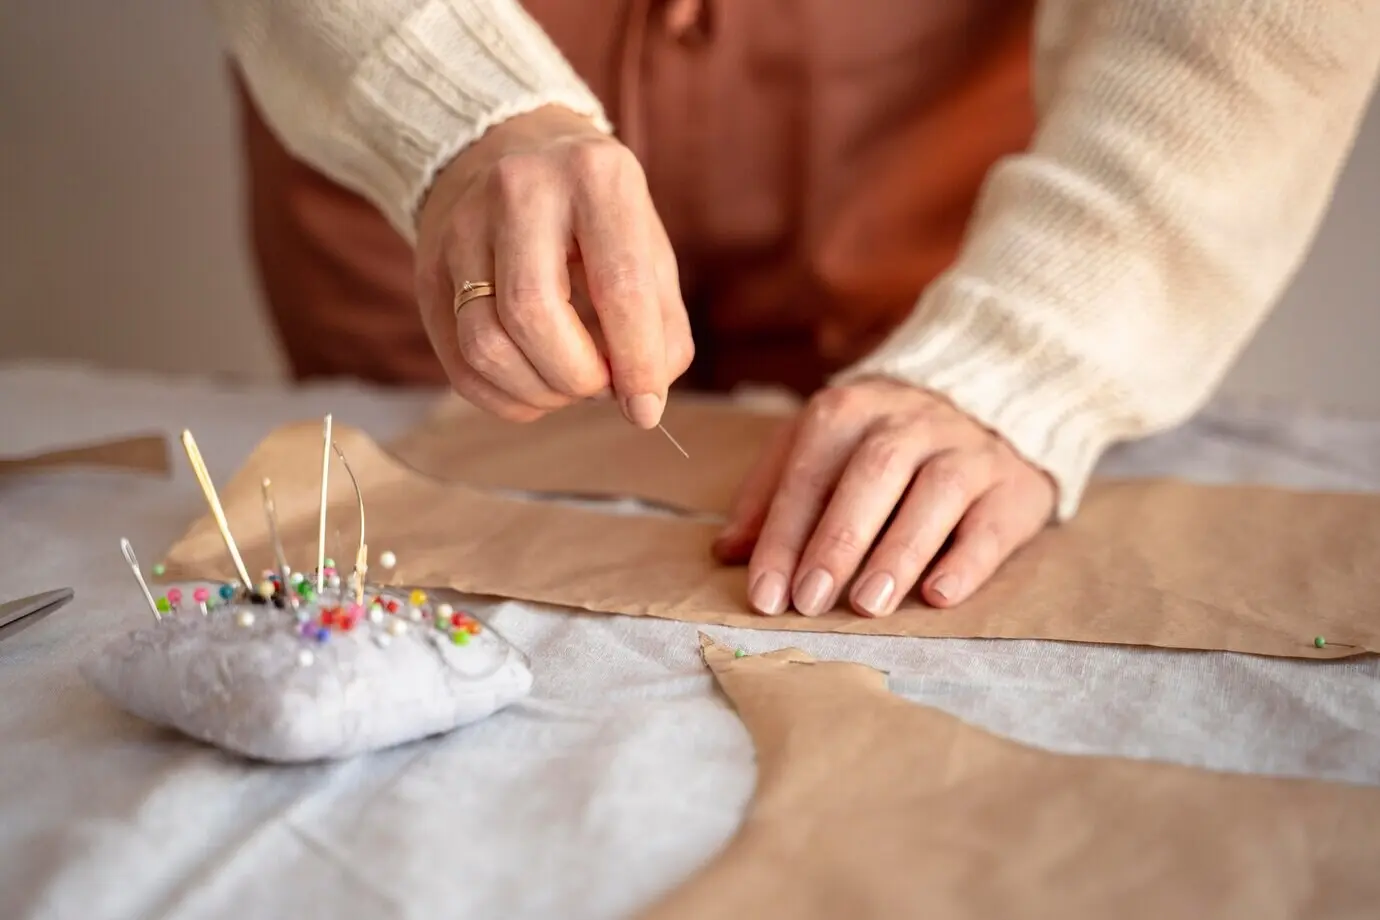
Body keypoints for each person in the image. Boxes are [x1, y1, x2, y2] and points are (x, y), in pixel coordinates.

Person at [212, 1, 1379, 619]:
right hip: (423, 146)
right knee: (404, 527)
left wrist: (1028, 349)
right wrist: (454, 113)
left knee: (895, 510)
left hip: (909, 134)